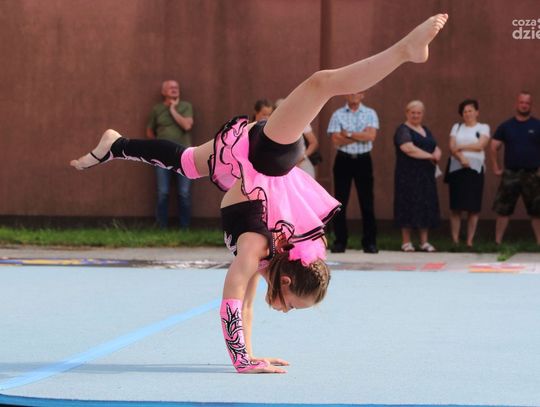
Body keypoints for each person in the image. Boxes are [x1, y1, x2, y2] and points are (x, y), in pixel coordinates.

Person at [70, 14, 448, 373]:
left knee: (187, 162)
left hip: (253, 162)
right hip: (269, 159)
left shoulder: (265, 260)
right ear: (286, 282)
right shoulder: (257, 247)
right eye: (292, 306)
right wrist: (241, 360)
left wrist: (249, 357)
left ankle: (116, 145)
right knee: (322, 83)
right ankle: (404, 50)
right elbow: (231, 298)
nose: (285, 312)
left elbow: (247, 306)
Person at [327, 92, 379, 253]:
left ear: (363, 95)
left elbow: (371, 136)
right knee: (340, 201)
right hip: (343, 160)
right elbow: (336, 139)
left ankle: (369, 242)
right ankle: (340, 241)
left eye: (357, 92)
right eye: (351, 92)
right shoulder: (337, 114)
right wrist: (360, 135)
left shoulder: (370, 113)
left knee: (367, 201)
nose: (354, 95)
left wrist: (348, 134)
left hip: (363, 160)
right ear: (345, 95)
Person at [490, 91, 540, 245]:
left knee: (537, 211)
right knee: (503, 210)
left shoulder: (537, 125)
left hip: (532, 174)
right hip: (511, 173)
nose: (524, 105)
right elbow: (494, 146)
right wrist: (496, 167)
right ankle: (497, 243)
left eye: (527, 103)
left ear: (531, 105)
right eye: (522, 102)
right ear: (516, 104)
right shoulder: (506, 126)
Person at [393, 100, 441, 252]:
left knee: (425, 204)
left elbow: (434, 146)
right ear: (407, 113)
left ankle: (424, 242)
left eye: (419, 113)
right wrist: (429, 156)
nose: (416, 115)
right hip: (407, 175)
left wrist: (437, 153)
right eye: (413, 112)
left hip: (425, 175)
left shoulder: (425, 129)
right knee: (407, 204)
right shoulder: (403, 130)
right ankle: (406, 242)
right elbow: (408, 148)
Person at [146, 80, 194, 228]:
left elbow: (187, 125)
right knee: (163, 192)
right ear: (163, 92)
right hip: (162, 157)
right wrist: (157, 147)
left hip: (184, 156)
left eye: (176, 87)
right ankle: (162, 227)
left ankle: (185, 228)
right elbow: (150, 131)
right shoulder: (157, 109)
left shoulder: (186, 106)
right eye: (171, 87)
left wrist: (173, 109)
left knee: (183, 193)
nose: (175, 89)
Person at [446, 99, 490, 247]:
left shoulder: (483, 127)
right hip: (457, 168)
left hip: (475, 169)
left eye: (470, 110)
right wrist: (461, 157)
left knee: (473, 207)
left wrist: (461, 147)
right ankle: (455, 240)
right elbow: (451, 146)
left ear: (477, 112)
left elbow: (480, 145)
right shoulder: (456, 127)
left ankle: (470, 241)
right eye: (464, 111)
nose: (467, 113)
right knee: (456, 206)